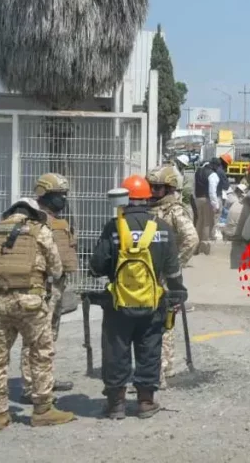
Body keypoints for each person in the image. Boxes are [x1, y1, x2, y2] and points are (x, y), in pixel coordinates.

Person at [0, 197, 76, 430]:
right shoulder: (40, 231)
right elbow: (57, 269)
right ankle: (42, 409)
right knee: (40, 353)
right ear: (33, 213)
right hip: (30, 302)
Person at [89, 175, 186, 420]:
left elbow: (97, 266)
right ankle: (145, 403)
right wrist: (177, 293)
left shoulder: (113, 227)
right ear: (147, 198)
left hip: (118, 304)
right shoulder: (162, 228)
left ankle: (116, 405)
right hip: (152, 303)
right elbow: (173, 269)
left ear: (123, 199)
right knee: (149, 350)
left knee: (115, 350)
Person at [19, 173, 79, 404]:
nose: (62, 199)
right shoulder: (33, 221)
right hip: (40, 287)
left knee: (49, 336)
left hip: (55, 287)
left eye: (64, 195)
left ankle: (44, 380)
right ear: (44, 194)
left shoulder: (55, 221)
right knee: (35, 337)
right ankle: (30, 386)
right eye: (58, 195)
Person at [147, 164, 199, 389]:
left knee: (163, 320)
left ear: (169, 188)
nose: (153, 192)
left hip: (164, 277)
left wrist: (175, 265)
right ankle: (162, 366)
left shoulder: (174, 210)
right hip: (148, 273)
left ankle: (161, 368)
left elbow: (191, 239)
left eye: (158, 188)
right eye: (151, 187)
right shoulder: (153, 208)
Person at [192, 158, 222, 255]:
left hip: (198, 198)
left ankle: (195, 244)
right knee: (207, 223)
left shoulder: (198, 171)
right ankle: (204, 247)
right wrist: (216, 205)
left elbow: (194, 186)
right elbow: (212, 192)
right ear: (216, 166)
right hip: (206, 200)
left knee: (199, 221)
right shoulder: (213, 175)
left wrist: (195, 197)